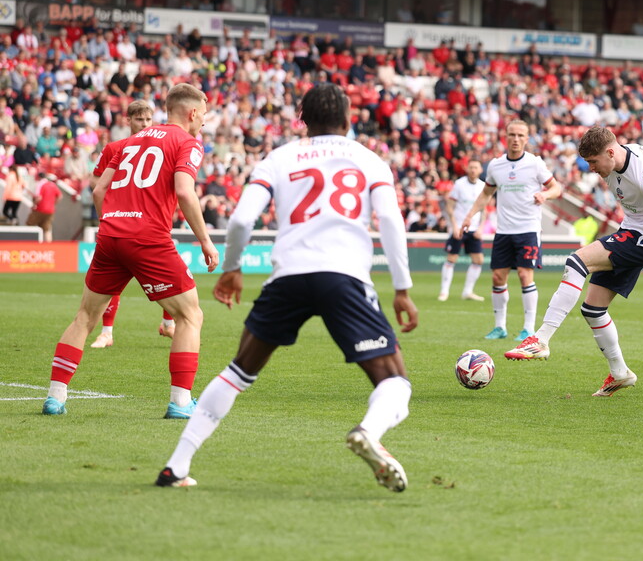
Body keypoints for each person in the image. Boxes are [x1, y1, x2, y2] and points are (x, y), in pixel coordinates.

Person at [155, 83, 418, 492]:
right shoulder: (370, 160)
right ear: (348, 119)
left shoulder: (280, 157)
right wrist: (402, 289)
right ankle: (368, 431)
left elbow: (242, 221)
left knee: (238, 372)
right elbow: (390, 223)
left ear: (302, 119)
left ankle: (176, 465)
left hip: (288, 276)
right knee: (395, 383)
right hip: (344, 276)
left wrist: (233, 267)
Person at [41, 83, 219, 417]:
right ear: (193, 112)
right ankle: (181, 403)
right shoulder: (188, 142)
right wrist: (206, 240)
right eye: (204, 114)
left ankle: (55, 397)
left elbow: (98, 190)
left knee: (85, 316)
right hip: (148, 237)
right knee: (190, 315)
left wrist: (110, 221)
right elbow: (184, 191)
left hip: (111, 235)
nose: (204, 122)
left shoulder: (128, 142)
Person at [506, 126, 643, 397]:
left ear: (610, 152)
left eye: (594, 162)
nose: (591, 168)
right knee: (593, 309)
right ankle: (620, 373)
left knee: (576, 262)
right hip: (631, 231)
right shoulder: (616, 159)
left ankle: (541, 339)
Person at [458, 120, 562, 342]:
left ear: (527, 138)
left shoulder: (534, 164)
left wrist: (545, 195)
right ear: (505, 137)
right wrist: (470, 215)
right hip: (504, 231)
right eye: (512, 135)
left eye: (521, 135)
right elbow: (486, 194)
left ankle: (528, 328)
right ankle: (500, 327)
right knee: (497, 277)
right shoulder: (496, 166)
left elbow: (556, 187)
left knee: (525, 275)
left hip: (528, 229)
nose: (516, 139)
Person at [87, 101, 177, 349]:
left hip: (151, 225)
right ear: (128, 121)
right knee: (112, 282)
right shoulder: (115, 148)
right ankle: (107, 332)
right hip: (120, 225)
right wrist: (107, 218)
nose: (145, 124)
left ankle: (168, 323)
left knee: (166, 279)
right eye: (139, 120)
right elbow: (97, 184)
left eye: (148, 120)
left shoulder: (161, 147)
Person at [438, 158, 487, 302]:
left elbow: (484, 209)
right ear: (467, 169)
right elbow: (449, 206)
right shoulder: (459, 184)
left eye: (476, 167)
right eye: (471, 167)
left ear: (480, 170)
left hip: (474, 229)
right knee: (452, 258)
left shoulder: (483, 186)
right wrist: (453, 226)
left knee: (478, 260)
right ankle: (444, 291)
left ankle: (468, 291)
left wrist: (481, 227)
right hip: (459, 226)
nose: (473, 170)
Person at [26, 173, 63, 242]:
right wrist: (54, 203)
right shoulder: (53, 186)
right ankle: (49, 247)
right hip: (50, 211)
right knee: (47, 229)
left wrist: (34, 204)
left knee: (30, 224)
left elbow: (39, 198)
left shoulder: (41, 184)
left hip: (40, 209)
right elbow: (60, 196)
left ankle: (29, 244)